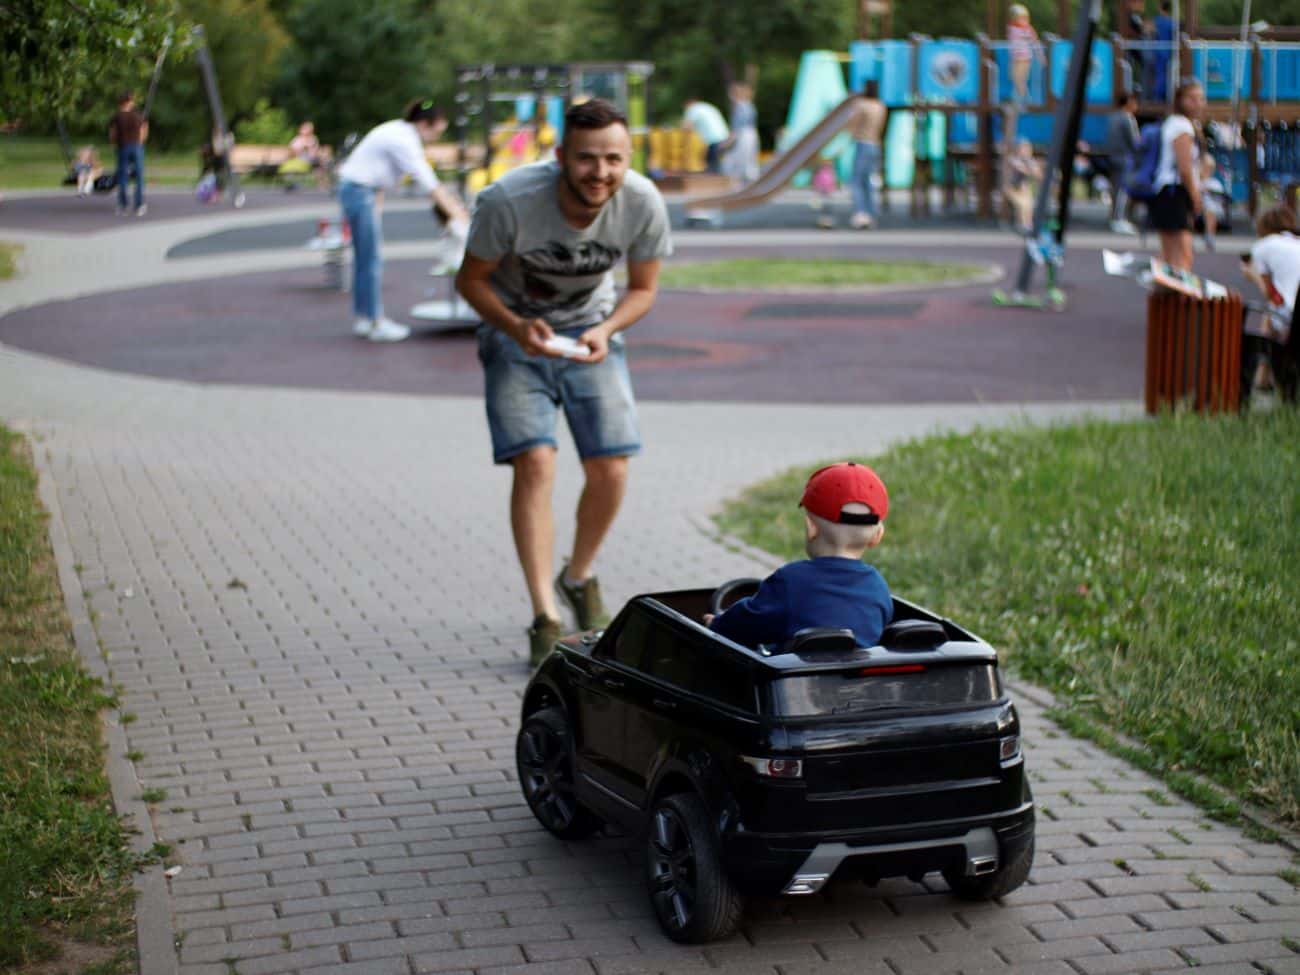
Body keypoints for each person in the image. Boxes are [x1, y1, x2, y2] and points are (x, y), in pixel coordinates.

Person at [455, 98, 672, 666]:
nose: (600, 172)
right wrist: (515, 325)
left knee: (612, 467)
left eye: (613, 159)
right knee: (537, 463)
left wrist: (606, 329)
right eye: (586, 159)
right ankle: (545, 614)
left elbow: (643, 289)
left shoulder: (643, 202)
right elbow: (470, 280)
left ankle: (578, 575)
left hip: (591, 336)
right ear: (559, 157)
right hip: (514, 336)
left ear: (628, 158)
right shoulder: (509, 201)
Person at [706, 463, 892, 651]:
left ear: (811, 527)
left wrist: (717, 624)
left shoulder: (790, 581)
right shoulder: (878, 587)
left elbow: (745, 624)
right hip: (857, 679)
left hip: (795, 679)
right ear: (877, 536)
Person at [336, 99, 469, 342]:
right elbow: (430, 183)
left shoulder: (397, 131)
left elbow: (376, 175)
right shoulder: (404, 140)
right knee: (371, 259)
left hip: (358, 190)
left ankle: (365, 318)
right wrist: (460, 216)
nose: (436, 138)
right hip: (359, 191)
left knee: (365, 258)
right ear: (425, 124)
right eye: (437, 131)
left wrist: (376, 206)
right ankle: (375, 322)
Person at [1241, 205, 1300, 398]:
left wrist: (1253, 275)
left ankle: (1262, 376)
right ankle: (1263, 376)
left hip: (1289, 320)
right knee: (1270, 313)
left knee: (1270, 310)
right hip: (1291, 312)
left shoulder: (1263, 247)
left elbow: (1271, 295)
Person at [1149, 78, 1205, 271]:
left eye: (1200, 98)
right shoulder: (1182, 126)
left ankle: (1163, 296)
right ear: (1180, 99)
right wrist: (1195, 195)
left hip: (1165, 190)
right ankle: (1178, 297)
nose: (1197, 103)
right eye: (1192, 98)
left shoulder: (1172, 123)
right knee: (1182, 255)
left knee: (1168, 255)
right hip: (1176, 192)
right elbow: (1184, 168)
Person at [847, 80, 886, 229]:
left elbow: (852, 123)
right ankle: (872, 213)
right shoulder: (880, 106)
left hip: (862, 143)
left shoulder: (862, 105)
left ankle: (861, 214)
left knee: (857, 181)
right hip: (875, 144)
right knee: (869, 181)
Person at [1106, 90, 1141, 234]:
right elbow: (1134, 142)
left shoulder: (1113, 117)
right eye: (1134, 101)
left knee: (1115, 189)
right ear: (1129, 102)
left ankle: (1114, 217)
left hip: (1113, 156)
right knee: (1122, 190)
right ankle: (1118, 219)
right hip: (1125, 158)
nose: (1136, 105)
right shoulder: (1127, 118)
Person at [108, 90, 148, 217]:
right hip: (136, 147)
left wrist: (114, 144)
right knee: (139, 176)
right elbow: (144, 130)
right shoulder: (138, 115)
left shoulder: (117, 116)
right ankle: (139, 205)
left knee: (123, 177)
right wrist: (140, 143)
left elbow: (113, 134)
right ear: (130, 101)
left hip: (123, 147)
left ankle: (123, 205)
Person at [1007, 4, 1044, 105]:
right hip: (1015, 58)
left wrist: (1040, 56)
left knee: (1020, 79)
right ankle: (1020, 97)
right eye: (1019, 18)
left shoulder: (1027, 29)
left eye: (1024, 18)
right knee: (1013, 77)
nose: (1022, 20)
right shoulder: (1012, 28)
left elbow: (1035, 43)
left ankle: (1024, 100)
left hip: (1024, 58)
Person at [682, 97, 730, 174]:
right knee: (717, 165)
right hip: (725, 138)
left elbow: (687, 127)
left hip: (713, 140)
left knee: (712, 168)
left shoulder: (693, 108)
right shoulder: (707, 107)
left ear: (688, 104)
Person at [724, 81, 760, 184]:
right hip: (750, 134)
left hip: (744, 136)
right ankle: (750, 182)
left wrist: (728, 141)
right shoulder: (749, 105)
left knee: (740, 161)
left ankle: (741, 183)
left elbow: (738, 127)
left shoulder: (741, 106)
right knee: (749, 161)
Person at [1005, 138, 1042, 234]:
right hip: (1013, 189)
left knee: (1028, 201)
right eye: (1024, 149)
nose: (1026, 151)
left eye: (1028, 149)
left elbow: (1038, 174)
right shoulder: (1014, 160)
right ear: (1019, 149)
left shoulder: (1031, 161)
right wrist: (1032, 171)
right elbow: (1022, 169)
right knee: (1024, 203)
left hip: (1025, 190)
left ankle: (1027, 225)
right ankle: (1024, 224)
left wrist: (1034, 170)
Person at [1151, 0, 1176, 102]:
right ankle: (1168, 96)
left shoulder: (1157, 21)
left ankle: (1157, 98)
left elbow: (1149, 31)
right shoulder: (1172, 22)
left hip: (1159, 51)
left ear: (1160, 7)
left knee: (1159, 75)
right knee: (1168, 74)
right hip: (1169, 51)